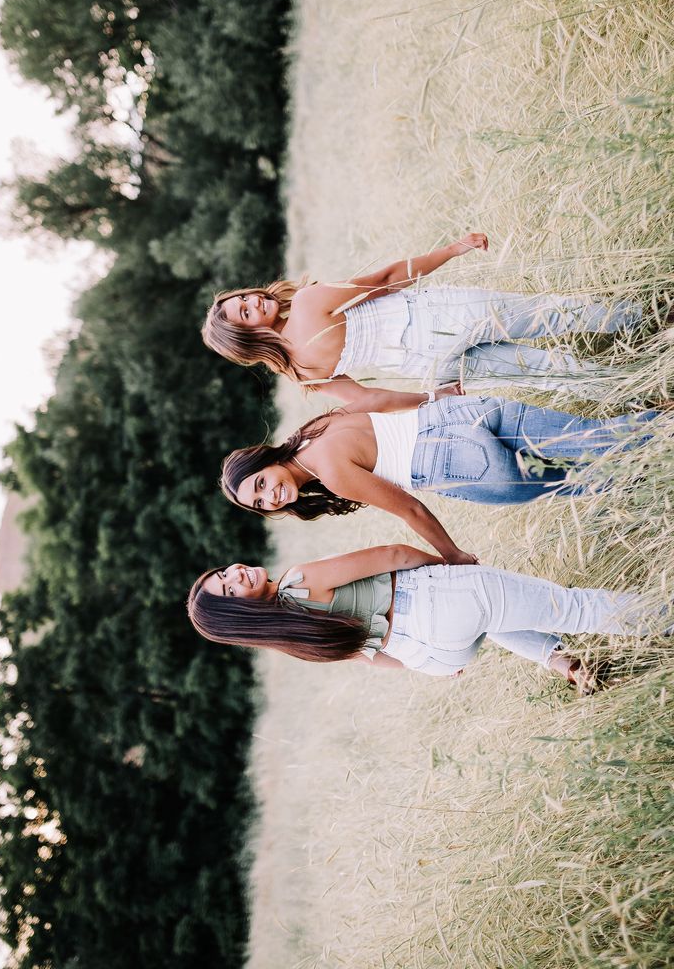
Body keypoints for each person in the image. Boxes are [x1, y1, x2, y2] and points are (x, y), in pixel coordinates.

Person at [201, 235, 641, 405]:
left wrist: (434, 396)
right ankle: (647, 316)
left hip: (427, 368)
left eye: (245, 297)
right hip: (436, 318)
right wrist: (449, 251)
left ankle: (637, 394)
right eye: (245, 312)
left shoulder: (302, 373)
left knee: (545, 373)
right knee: (548, 315)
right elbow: (387, 279)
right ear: (247, 337)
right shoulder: (312, 301)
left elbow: (372, 401)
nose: (254, 300)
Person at [220, 395, 660, 564]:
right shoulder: (314, 429)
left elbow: (409, 508)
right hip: (459, 414)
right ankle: (659, 434)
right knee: (588, 436)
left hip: (461, 463)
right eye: (261, 504)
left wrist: (452, 554)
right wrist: (435, 396)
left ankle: (653, 462)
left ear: (264, 461)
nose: (271, 496)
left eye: (260, 484)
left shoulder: (331, 473)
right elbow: (379, 400)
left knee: (575, 477)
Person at [187, 544, 667, 692]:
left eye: (224, 573)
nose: (236, 575)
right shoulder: (299, 579)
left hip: (427, 653)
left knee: (490, 615)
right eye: (229, 590)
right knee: (572, 606)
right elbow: (392, 554)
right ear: (238, 610)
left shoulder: (294, 641)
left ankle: (559, 663)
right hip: (428, 602)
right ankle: (664, 617)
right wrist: (449, 564)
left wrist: (433, 663)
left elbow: (369, 659)